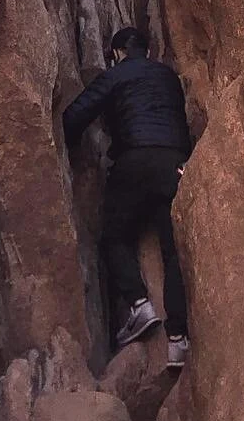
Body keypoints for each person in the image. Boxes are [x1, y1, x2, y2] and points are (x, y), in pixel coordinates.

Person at [62, 27, 194, 369]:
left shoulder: (117, 74)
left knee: (114, 237)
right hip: (173, 163)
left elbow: (77, 114)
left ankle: (139, 304)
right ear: (148, 51)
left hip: (134, 160)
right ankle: (178, 340)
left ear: (118, 52)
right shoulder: (168, 77)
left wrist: (68, 139)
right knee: (172, 250)